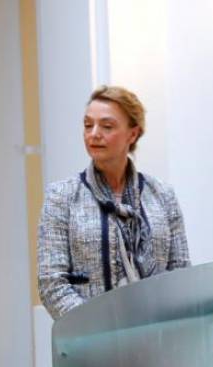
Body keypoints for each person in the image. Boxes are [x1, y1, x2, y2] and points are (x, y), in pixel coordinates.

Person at [37, 85, 190, 319]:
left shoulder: (162, 195)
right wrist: (99, 328)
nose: (94, 134)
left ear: (133, 134)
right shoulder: (61, 195)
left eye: (107, 126)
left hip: (156, 335)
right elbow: (51, 283)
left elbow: (179, 273)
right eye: (88, 125)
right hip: (92, 343)